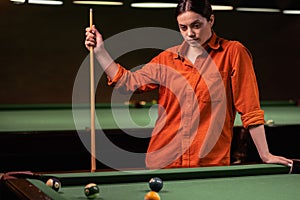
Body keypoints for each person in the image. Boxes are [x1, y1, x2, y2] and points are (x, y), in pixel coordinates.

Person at [85, 0, 292, 169]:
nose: (190, 34)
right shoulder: (167, 59)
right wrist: (101, 52)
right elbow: (127, 83)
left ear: (211, 20)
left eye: (196, 25)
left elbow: (250, 109)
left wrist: (265, 154)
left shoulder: (233, 53)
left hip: (209, 164)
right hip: (162, 162)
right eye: (183, 28)